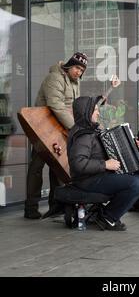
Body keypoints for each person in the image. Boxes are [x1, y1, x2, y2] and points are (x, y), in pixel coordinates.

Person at [67, 96, 139, 231]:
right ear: (86, 112)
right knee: (135, 183)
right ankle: (108, 217)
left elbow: (103, 151)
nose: (98, 113)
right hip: (87, 180)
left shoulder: (92, 130)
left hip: (97, 175)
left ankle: (107, 215)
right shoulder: (83, 135)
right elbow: (78, 163)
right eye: (95, 110)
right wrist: (105, 165)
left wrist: (133, 145)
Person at [24, 52, 88, 219]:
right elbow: (56, 105)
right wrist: (75, 128)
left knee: (57, 167)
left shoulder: (75, 82)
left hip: (60, 128)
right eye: (76, 67)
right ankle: (30, 208)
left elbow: (72, 107)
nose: (78, 72)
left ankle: (56, 206)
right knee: (36, 168)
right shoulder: (55, 78)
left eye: (81, 70)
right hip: (43, 127)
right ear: (68, 65)